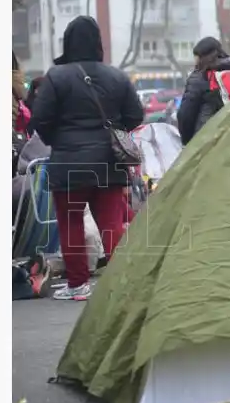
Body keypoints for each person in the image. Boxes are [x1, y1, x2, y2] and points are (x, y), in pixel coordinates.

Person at [28, 16, 144, 301]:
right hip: (108, 162)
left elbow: (40, 118)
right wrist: (115, 130)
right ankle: (122, 284)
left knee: (71, 223)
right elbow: (135, 115)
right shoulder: (117, 77)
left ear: (68, 42)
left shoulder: (56, 77)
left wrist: (58, 140)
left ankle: (78, 284)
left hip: (68, 163)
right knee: (111, 224)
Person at [176, 37, 230, 145]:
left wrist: (187, 142)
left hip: (208, 140)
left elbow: (186, 114)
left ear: (200, 57)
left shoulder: (199, 76)